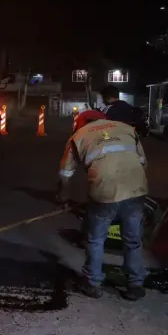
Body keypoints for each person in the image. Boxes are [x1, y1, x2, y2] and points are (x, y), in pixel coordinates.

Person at [57, 110, 148, 301]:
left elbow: (65, 174)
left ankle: (92, 283)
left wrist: (63, 198)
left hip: (104, 194)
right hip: (135, 190)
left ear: (81, 123)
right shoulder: (126, 128)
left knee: (96, 239)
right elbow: (142, 162)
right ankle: (135, 284)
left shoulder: (79, 136)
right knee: (132, 240)